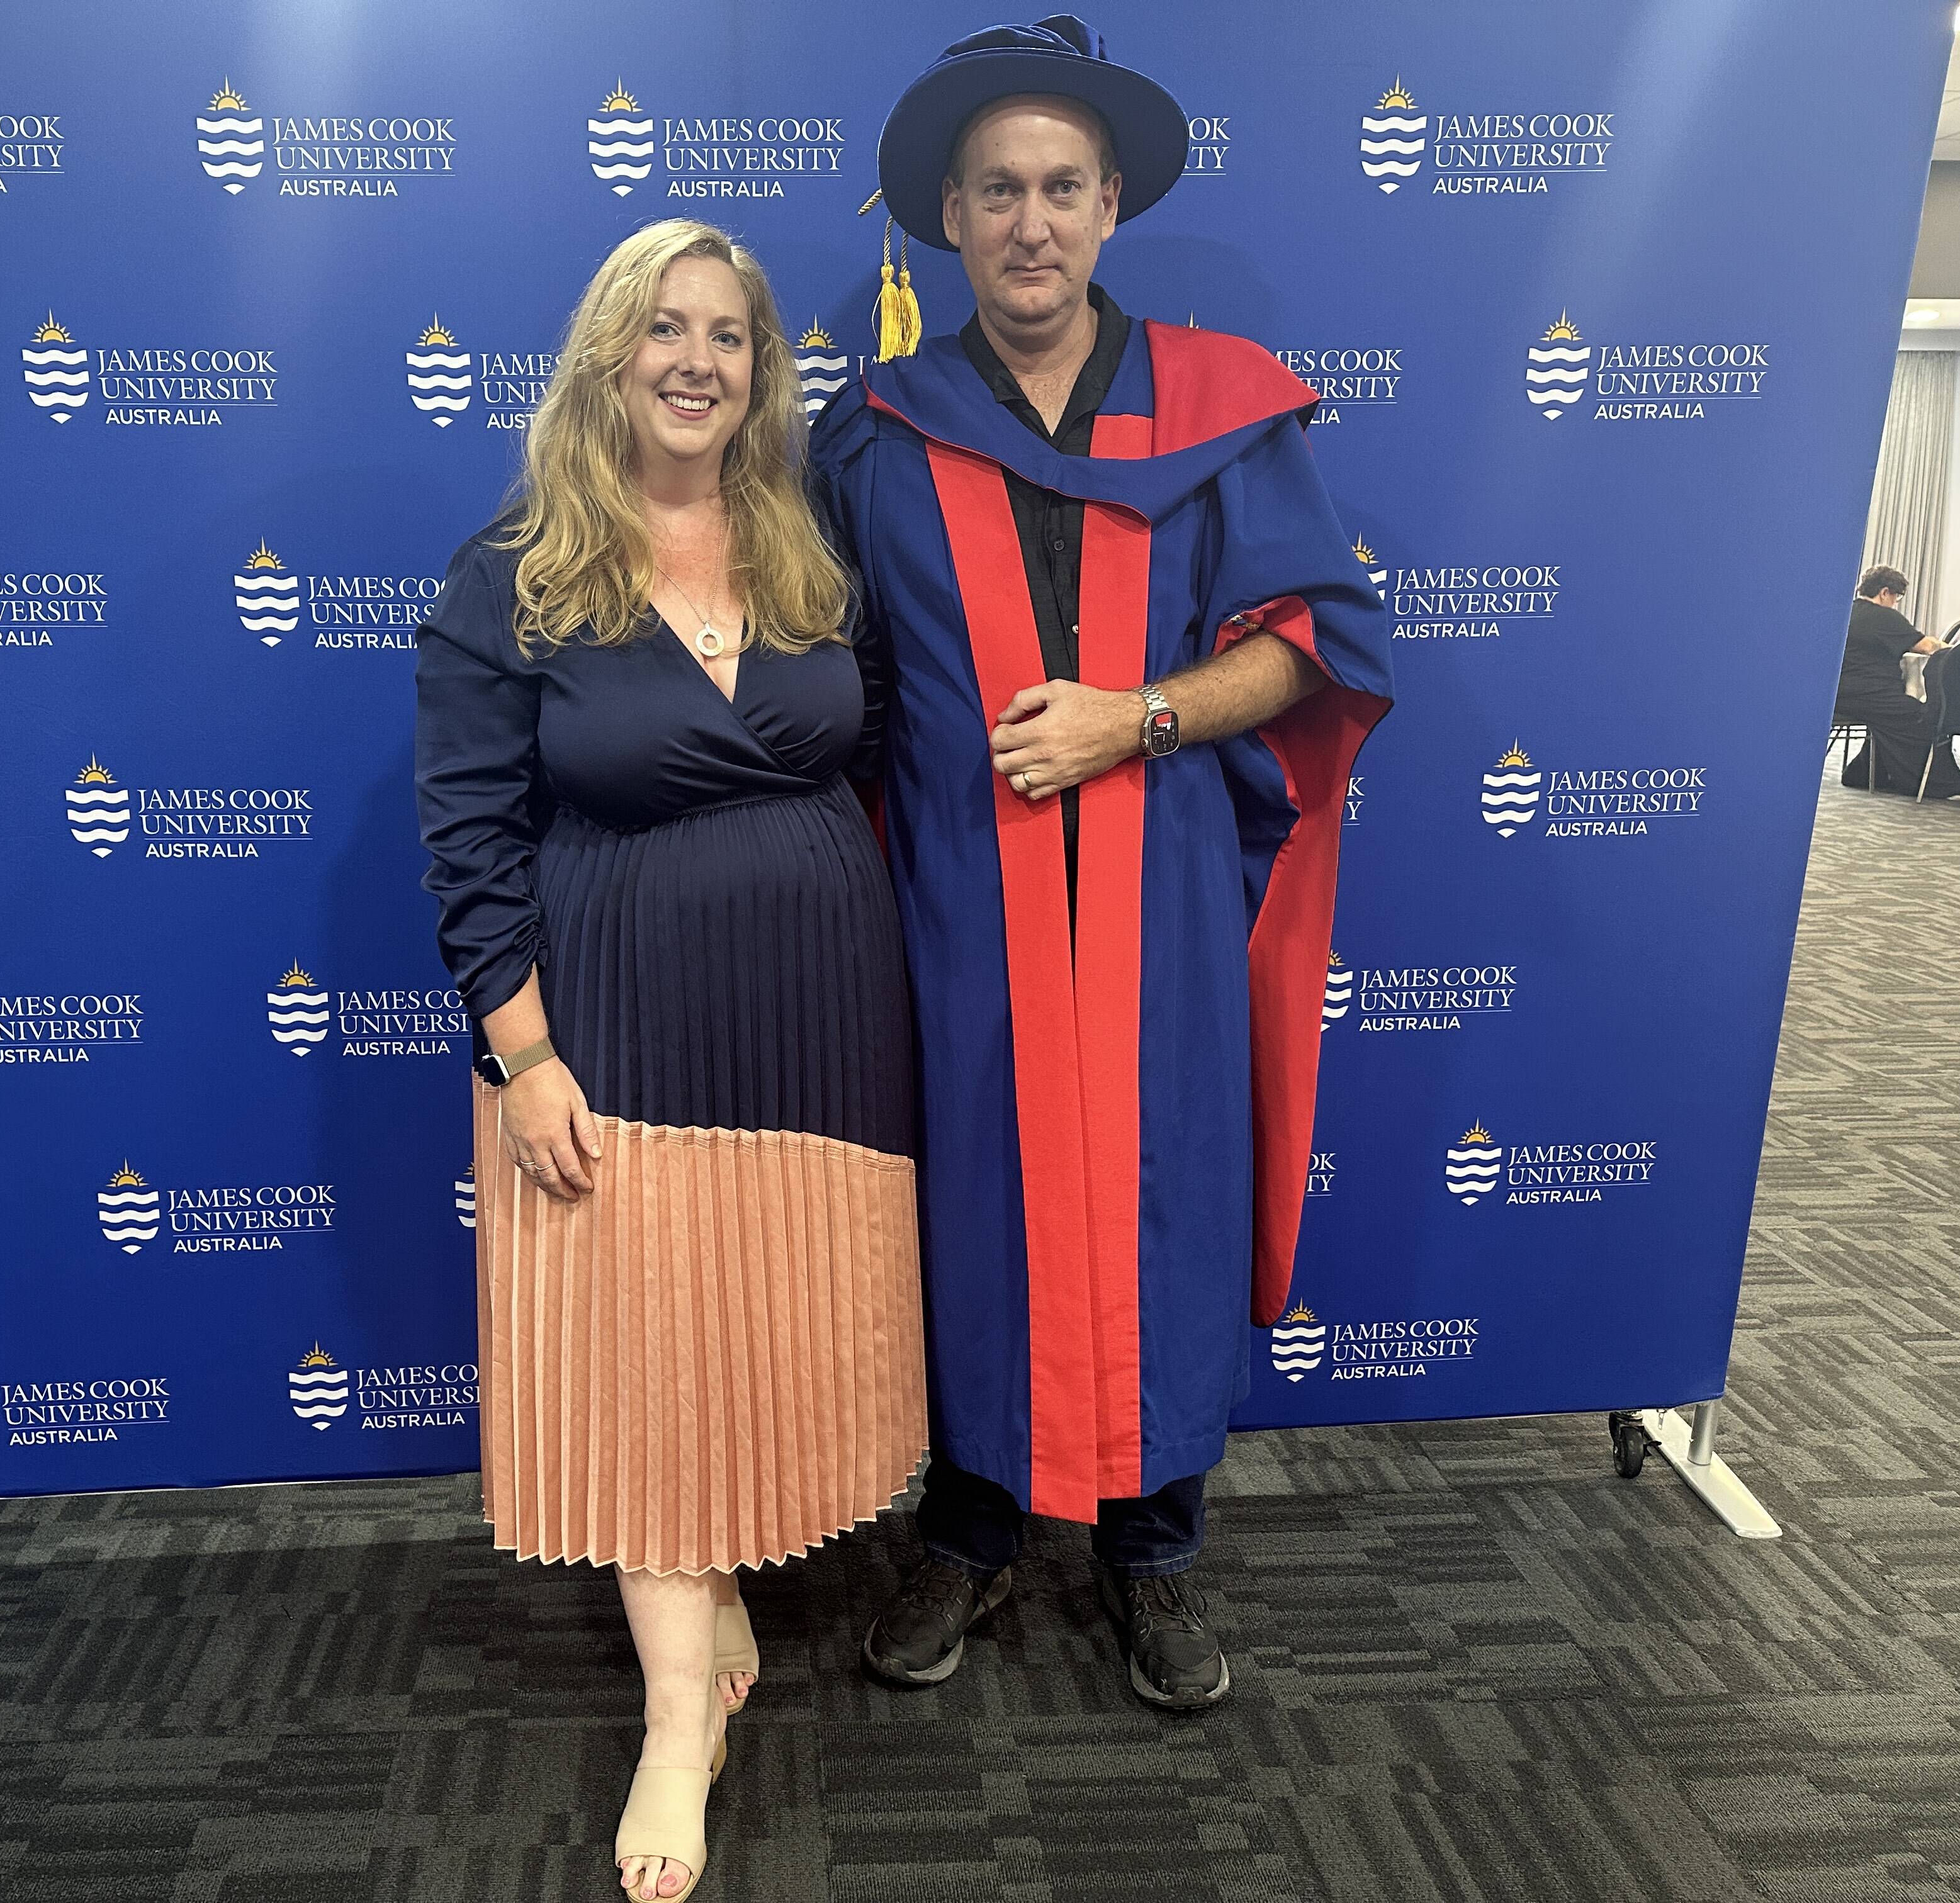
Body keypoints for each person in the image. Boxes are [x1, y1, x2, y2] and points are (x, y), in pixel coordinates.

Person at [811, 17, 1395, 1712]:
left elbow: (1309, 648)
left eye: (1062, 186)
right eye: (996, 189)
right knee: (982, 1209)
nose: (1030, 222)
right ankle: (977, 1532)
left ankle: (1154, 1556)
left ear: (1112, 202)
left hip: (1161, 912)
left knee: (1162, 1202)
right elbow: (818, 679)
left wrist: (1138, 718)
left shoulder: (1225, 415)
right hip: (960, 915)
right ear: (951, 215)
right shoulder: (875, 440)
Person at [415, 219, 925, 1900]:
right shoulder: (515, 571)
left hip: (822, 1021)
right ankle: (678, 1724)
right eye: (663, 328)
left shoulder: (811, 544)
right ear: (608, 356)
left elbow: (892, 749)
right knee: (645, 1362)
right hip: (614, 1026)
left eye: (729, 333)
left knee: (765, 1329)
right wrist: (525, 1056)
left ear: (764, 369)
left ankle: (717, 1615)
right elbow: (470, 836)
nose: (696, 359)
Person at [1837, 566, 1960, 801]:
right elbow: (1926, 646)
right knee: (1924, 718)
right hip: (1870, 695)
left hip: (1842, 695)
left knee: (1893, 719)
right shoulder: (1883, 617)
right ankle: (1945, 786)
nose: (1896, 603)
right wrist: (1957, 648)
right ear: (1884, 592)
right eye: (1896, 598)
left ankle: (1864, 775)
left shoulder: (1849, 610)